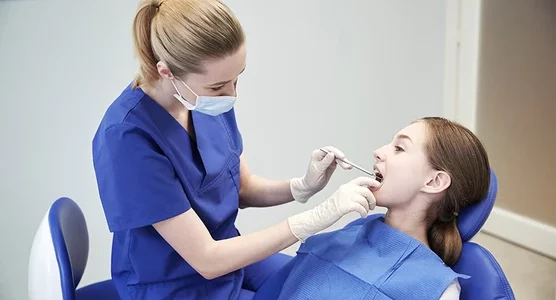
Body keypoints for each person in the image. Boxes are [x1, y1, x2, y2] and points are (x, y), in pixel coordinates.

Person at [91, 0, 380, 299]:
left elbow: (242, 187)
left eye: (237, 78)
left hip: (230, 253)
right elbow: (207, 258)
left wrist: (302, 187)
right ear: (166, 72)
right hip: (175, 283)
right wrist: (318, 217)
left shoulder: (202, 101)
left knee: (316, 277)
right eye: (218, 87)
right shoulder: (128, 137)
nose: (232, 94)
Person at [272, 117, 491, 300]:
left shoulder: (438, 289)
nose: (378, 152)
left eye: (399, 148)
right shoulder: (348, 234)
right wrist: (302, 191)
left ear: (434, 182)